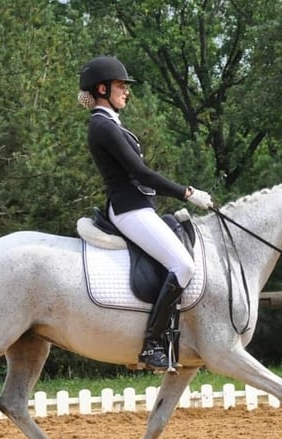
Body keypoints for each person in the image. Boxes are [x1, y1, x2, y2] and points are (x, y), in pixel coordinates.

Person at [78, 55, 214, 370]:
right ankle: (152, 344)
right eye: (121, 86)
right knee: (182, 264)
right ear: (102, 88)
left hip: (137, 206)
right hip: (128, 208)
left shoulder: (112, 123)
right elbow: (142, 173)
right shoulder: (102, 125)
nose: (126, 91)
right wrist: (188, 193)